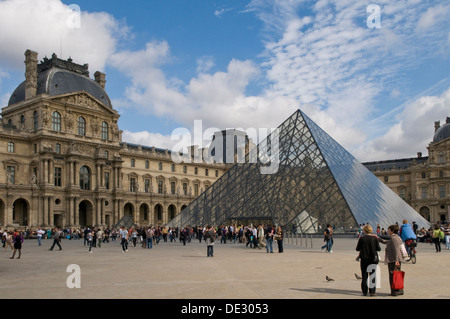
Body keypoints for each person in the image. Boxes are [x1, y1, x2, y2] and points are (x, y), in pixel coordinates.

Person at [355, 225, 381, 296]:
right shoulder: (374, 238)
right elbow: (379, 249)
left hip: (364, 259)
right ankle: (372, 292)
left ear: (364, 230)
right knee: (372, 275)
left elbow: (357, 249)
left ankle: (364, 291)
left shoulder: (362, 238)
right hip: (373, 259)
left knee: (364, 275)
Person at [383, 224, 404, 296]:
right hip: (396, 259)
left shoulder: (393, 239)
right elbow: (386, 242)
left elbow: (396, 250)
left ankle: (394, 291)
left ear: (392, 231)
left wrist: (396, 260)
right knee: (398, 275)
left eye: (388, 229)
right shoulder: (397, 237)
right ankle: (400, 290)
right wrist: (377, 239)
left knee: (392, 276)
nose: (387, 231)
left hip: (393, 259)